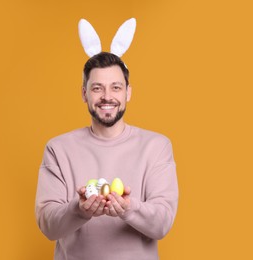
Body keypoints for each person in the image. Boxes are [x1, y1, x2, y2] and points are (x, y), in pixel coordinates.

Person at [35, 51, 179, 260]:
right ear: (84, 94)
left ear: (128, 93)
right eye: (97, 88)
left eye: (116, 87)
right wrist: (79, 210)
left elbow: (162, 224)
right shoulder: (58, 148)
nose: (107, 96)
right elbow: (48, 226)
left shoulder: (157, 146)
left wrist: (129, 209)